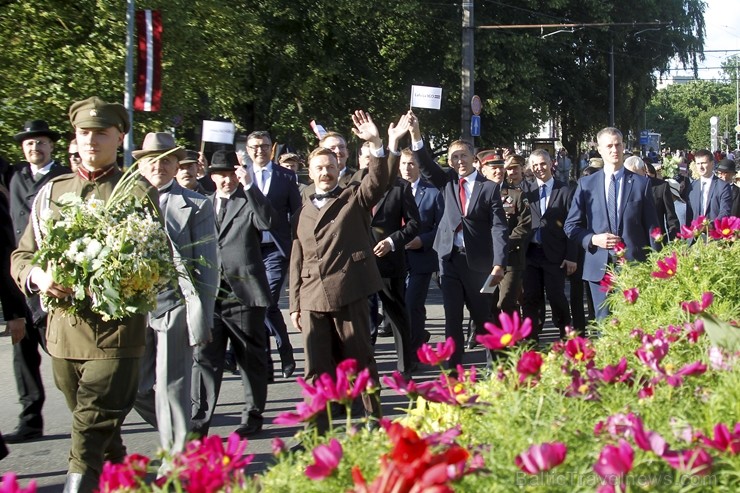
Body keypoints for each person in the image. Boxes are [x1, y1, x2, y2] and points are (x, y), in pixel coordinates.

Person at [11, 96, 157, 492]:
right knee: (102, 434)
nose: (91, 141)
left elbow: (156, 265)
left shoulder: (135, 193)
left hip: (116, 335)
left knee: (90, 426)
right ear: (74, 138)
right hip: (63, 334)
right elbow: (22, 254)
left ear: (119, 137)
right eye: (84, 133)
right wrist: (39, 275)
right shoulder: (52, 192)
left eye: (101, 133)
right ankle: (131, 484)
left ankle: (77, 485)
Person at [289, 110, 396, 430]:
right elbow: (297, 253)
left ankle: (374, 420)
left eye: (331, 167)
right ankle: (315, 429)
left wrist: (377, 143)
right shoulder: (304, 203)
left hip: (349, 290)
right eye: (319, 168)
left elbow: (377, 183)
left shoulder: (354, 195)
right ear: (309, 172)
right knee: (316, 367)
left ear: (339, 169)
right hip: (311, 296)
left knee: (359, 360)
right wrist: (294, 302)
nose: (325, 173)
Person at [132, 133, 218, 456]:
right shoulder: (125, 201)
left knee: (172, 386)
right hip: (134, 307)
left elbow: (208, 268)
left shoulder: (197, 205)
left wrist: (203, 317)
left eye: (167, 160)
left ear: (176, 165)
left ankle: (176, 457)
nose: (159, 166)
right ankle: (187, 434)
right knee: (134, 388)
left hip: (175, 304)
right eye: (152, 160)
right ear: (140, 164)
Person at [408, 112, 508, 370]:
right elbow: (426, 163)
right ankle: (454, 370)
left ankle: (495, 369)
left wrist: (499, 263)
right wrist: (415, 134)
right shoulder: (447, 181)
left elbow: (499, 226)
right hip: (449, 260)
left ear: (473, 159)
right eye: (454, 157)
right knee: (452, 319)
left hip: (478, 263)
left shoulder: (489, 188)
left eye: (463, 155)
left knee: (483, 318)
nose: (459, 161)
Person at [190, 150, 277, 438]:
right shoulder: (203, 204)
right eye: (220, 174)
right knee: (205, 358)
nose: (225, 180)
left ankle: (253, 415)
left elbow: (267, 222)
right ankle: (199, 421)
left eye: (230, 174)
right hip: (211, 295)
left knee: (249, 359)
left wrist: (250, 185)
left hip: (244, 293)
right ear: (211, 176)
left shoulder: (248, 201)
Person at [6, 120, 71, 444]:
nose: (35, 148)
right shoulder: (15, 176)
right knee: (23, 356)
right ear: (22, 149)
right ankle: (30, 420)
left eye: (41, 142)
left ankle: (88, 410)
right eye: (29, 144)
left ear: (51, 146)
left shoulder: (62, 177)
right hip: (21, 279)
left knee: (62, 354)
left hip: (52, 278)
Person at [564, 127, 659, 321]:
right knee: (604, 324)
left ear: (624, 146)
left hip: (634, 266)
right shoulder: (586, 185)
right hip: (599, 266)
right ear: (599, 149)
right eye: (609, 146)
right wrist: (593, 239)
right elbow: (571, 226)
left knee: (634, 322)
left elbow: (652, 228)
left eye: (618, 145)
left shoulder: (642, 184)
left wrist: (655, 265)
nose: (614, 150)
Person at [246, 131, 300, 380]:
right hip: (249, 250)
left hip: (276, 250)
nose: (260, 150)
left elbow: (297, 214)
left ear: (272, 149)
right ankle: (267, 362)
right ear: (248, 149)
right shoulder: (240, 176)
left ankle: (285, 351)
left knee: (267, 302)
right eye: (255, 146)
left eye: (265, 146)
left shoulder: (286, 177)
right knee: (258, 307)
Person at [362, 141, 420, 376]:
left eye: (373, 159)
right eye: (366, 160)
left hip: (389, 261)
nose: (370, 163)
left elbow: (415, 224)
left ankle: (405, 365)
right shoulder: (354, 186)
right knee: (363, 317)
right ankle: (366, 366)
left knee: (395, 313)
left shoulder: (399, 187)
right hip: (360, 262)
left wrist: (393, 241)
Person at [522, 149, 576, 342]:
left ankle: (565, 332)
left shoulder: (566, 190)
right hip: (530, 253)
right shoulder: (525, 190)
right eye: (535, 165)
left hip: (555, 254)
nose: (539, 168)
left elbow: (573, 225)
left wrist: (571, 256)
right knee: (530, 297)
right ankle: (530, 337)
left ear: (551, 163)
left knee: (556, 296)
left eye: (543, 163)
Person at [477, 151, 531, 325]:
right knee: (489, 304)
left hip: (510, 258)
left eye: (501, 167)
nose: (499, 171)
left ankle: (514, 342)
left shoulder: (516, 195)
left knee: (506, 302)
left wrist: (503, 244)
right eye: (494, 168)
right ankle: (496, 344)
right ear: (484, 170)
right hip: (486, 259)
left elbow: (524, 226)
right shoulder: (477, 195)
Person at [400, 148, 444, 356]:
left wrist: (423, 241)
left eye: (411, 164)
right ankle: (417, 335)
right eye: (403, 164)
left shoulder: (433, 193)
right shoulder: (392, 191)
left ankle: (413, 351)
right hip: (396, 259)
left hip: (422, 258)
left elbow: (443, 226)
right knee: (402, 306)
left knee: (412, 303)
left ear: (419, 166)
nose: (407, 168)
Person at [686, 150, 733, 224]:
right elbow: (689, 214)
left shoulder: (723, 186)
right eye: (698, 163)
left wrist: (710, 226)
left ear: (712, 164)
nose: (700, 167)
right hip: (696, 233)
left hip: (714, 232)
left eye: (703, 163)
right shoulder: (692, 187)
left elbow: (725, 212)